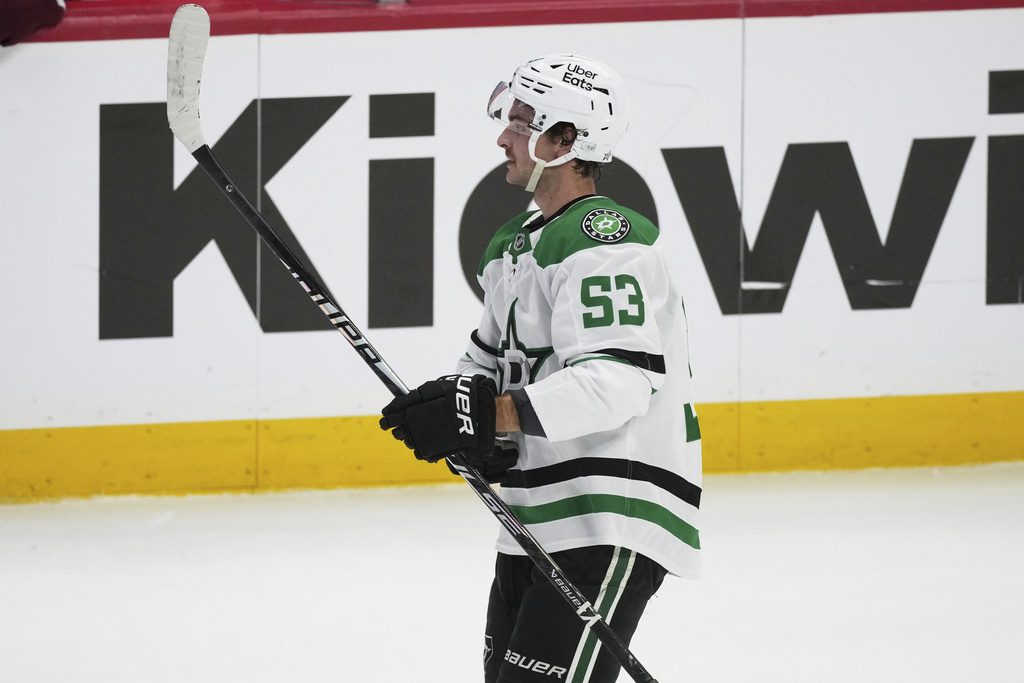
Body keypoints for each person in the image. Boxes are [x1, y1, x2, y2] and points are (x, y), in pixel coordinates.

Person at [380, 54, 702, 683]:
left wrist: (492, 414)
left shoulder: (606, 241)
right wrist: (455, 413)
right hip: (538, 512)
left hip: (608, 514)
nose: (504, 136)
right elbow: (486, 365)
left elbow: (617, 381)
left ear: (567, 141)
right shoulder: (513, 245)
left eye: (524, 124)